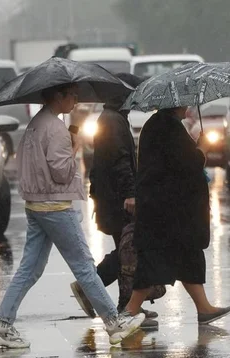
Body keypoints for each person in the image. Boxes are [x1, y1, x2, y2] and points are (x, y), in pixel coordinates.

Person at [0, 83, 144, 349]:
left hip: (36, 204)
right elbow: (61, 172)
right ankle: (114, 323)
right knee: (84, 266)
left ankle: (2, 324)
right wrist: (75, 148)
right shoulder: (55, 128)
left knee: (30, 269)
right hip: (56, 207)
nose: (75, 99)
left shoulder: (36, 124)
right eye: (71, 94)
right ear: (58, 96)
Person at [121, 106, 230, 325]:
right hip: (165, 210)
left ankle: (204, 308)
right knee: (153, 260)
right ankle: (130, 312)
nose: (188, 107)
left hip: (171, 210)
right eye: (185, 104)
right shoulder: (166, 127)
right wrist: (201, 148)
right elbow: (188, 164)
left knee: (188, 256)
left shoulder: (164, 125)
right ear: (175, 105)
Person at [81, 73, 158, 326]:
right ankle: (125, 309)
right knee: (130, 252)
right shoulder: (113, 121)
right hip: (117, 200)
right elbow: (120, 161)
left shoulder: (113, 119)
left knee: (126, 250)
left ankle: (98, 291)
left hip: (111, 198)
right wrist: (130, 193)